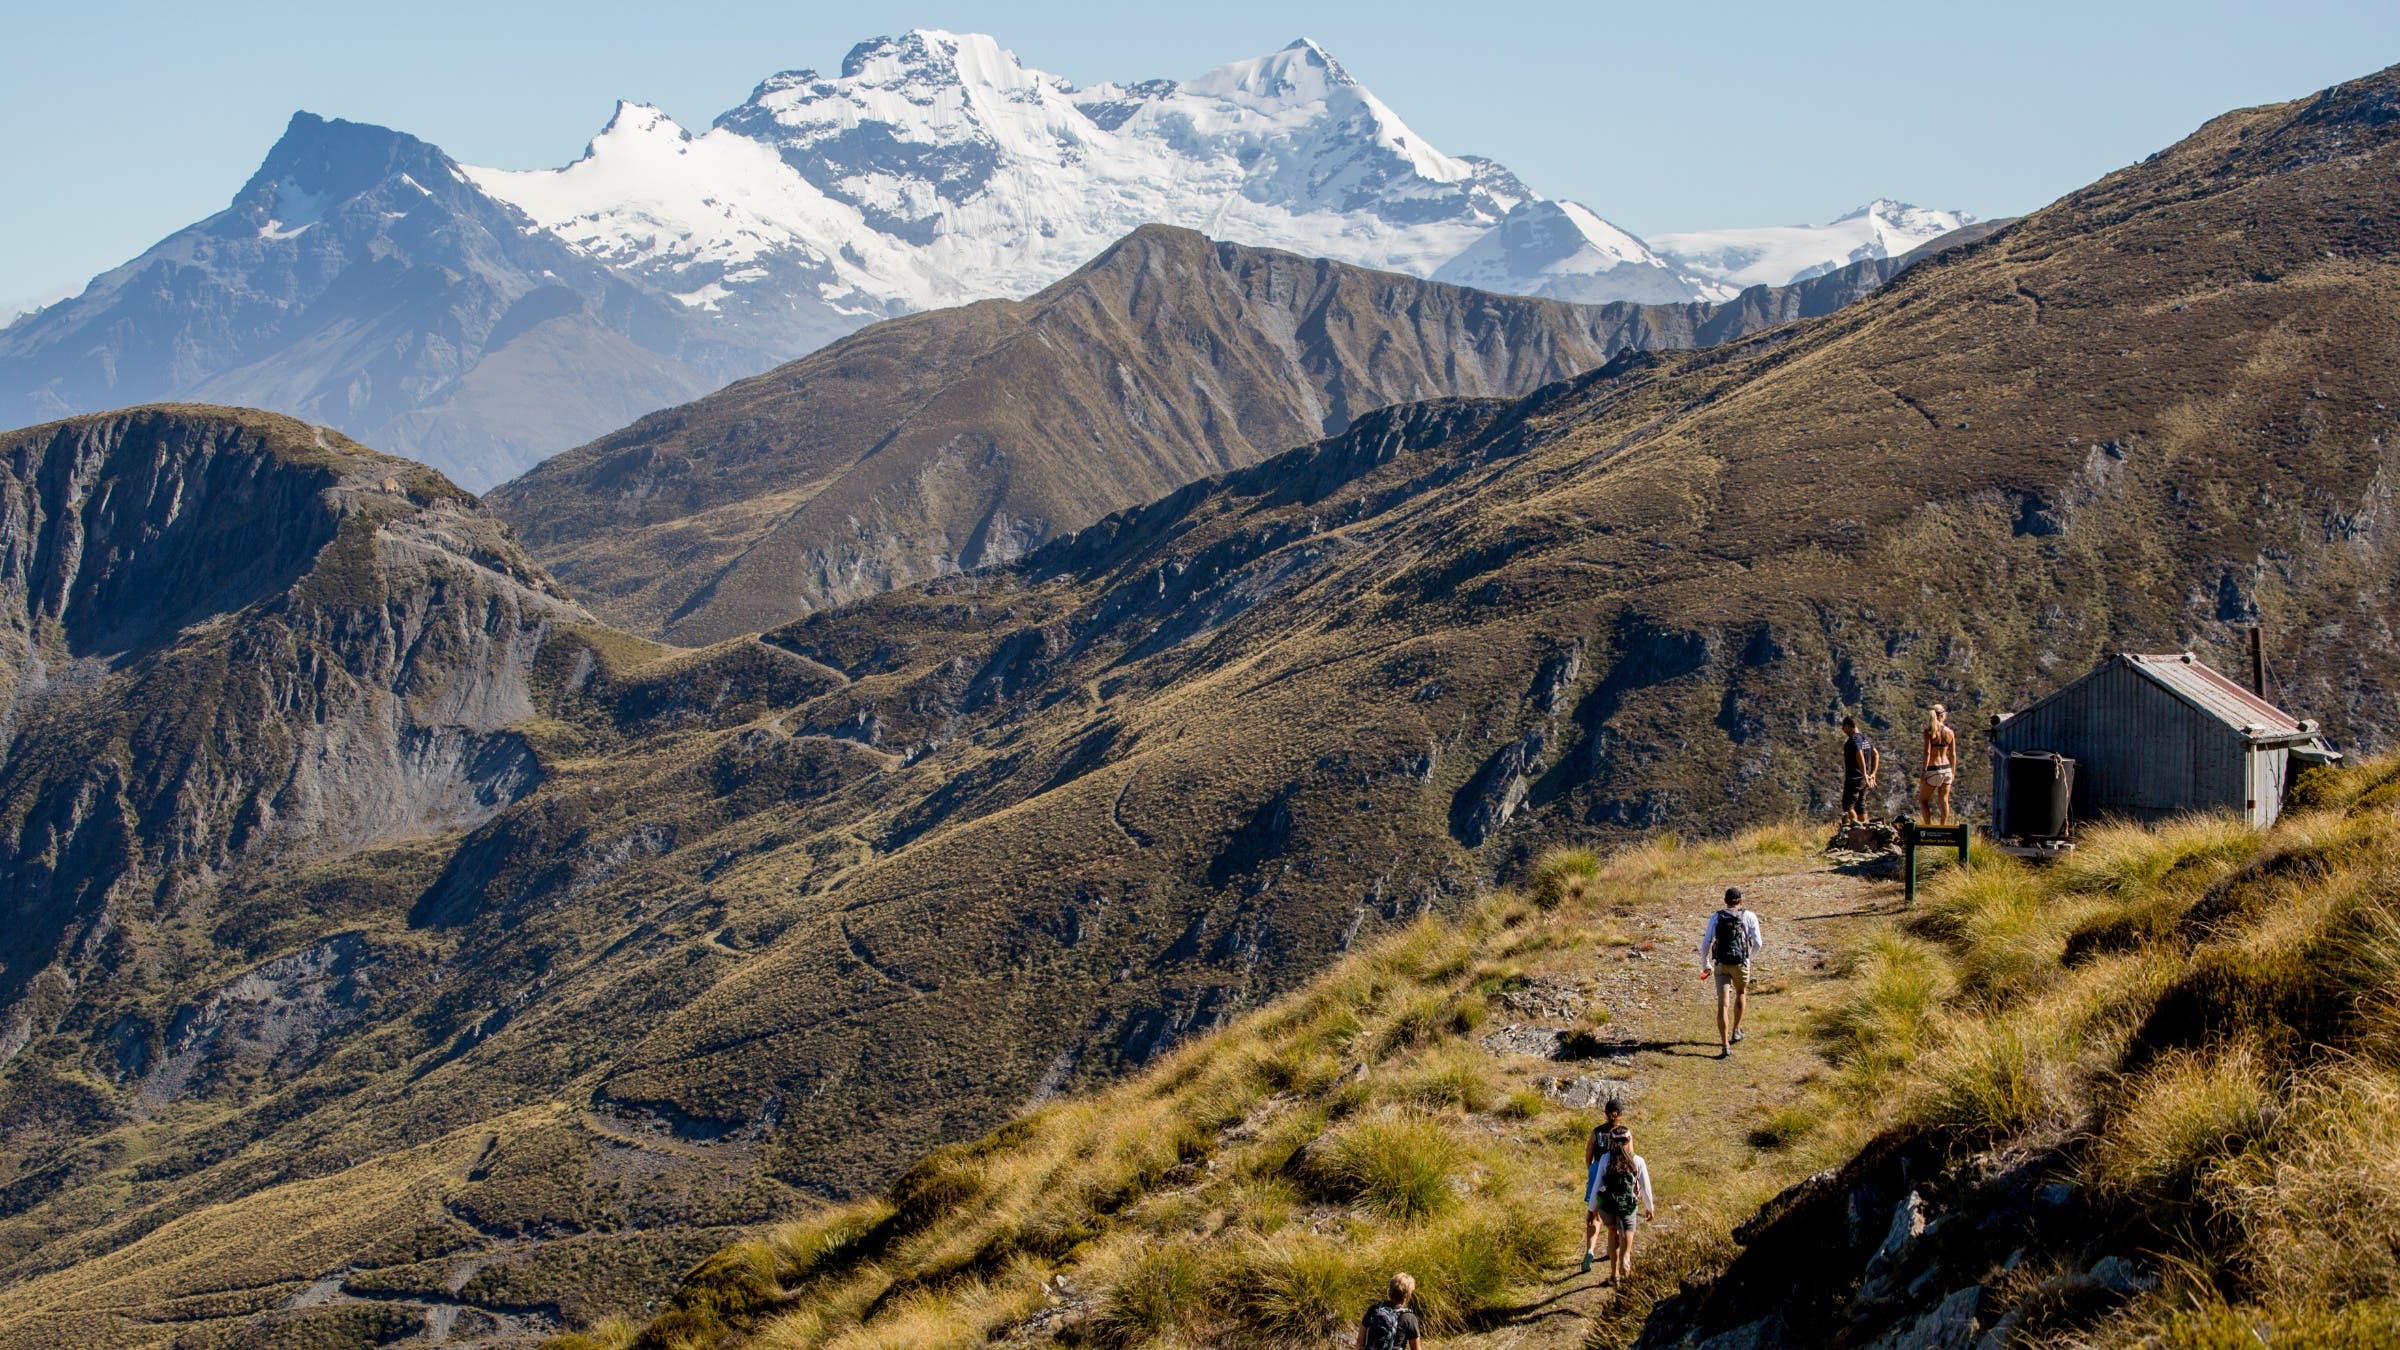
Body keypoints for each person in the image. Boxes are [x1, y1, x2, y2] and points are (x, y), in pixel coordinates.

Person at [1698, 887, 1763, 1058]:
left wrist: (1705, 963)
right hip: (1740, 962)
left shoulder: (1717, 916)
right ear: (1740, 900)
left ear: (1725, 901)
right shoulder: (1749, 916)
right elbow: (1758, 942)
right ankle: (1736, 1030)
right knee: (1741, 992)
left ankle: (1725, 1045)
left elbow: (1706, 942)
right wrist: (1748, 957)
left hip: (1721, 963)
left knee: (1723, 1004)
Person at [1590, 1125, 1656, 1283]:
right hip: (1628, 1208)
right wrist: (1650, 1208)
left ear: (1611, 1142)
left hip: (1608, 1208)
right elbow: (1645, 1188)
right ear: (1629, 1140)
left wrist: (1592, 1208)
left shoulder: (1606, 1159)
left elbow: (1597, 1184)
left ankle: (1613, 1275)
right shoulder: (1637, 1161)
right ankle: (1625, 1266)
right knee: (1626, 1243)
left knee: (1613, 1234)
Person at [1581, 1097, 1630, 1272]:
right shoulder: (1625, 1132)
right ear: (1621, 1114)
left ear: (1606, 1113)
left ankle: (1590, 1250)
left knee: (1594, 1215)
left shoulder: (1597, 1132)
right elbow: (1629, 1157)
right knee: (1614, 1214)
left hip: (1596, 1171)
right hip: (1615, 1175)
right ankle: (1612, 1250)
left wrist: (1592, 1170)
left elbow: (1588, 1155)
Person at [1357, 1272, 1423, 1350]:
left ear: (1390, 1291)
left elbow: (1360, 1341)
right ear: (1407, 1295)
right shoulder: (1409, 1317)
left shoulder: (1374, 1310)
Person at [1919, 704, 1958, 826]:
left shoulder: (1929, 732)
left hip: (1933, 768)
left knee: (1923, 800)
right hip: (1946, 769)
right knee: (1944, 800)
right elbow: (1953, 754)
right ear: (1942, 716)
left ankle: (1928, 827)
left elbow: (1927, 752)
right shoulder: (1950, 732)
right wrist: (1953, 772)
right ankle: (1943, 826)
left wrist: (1924, 771)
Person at [1840, 715, 1880, 823]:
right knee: (1860, 806)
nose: (1842, 730)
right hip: (1863, 780)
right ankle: (1865, 830)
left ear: (1848, 726)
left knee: (1847, 806)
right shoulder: (1865, 738)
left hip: (1854, 778)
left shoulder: (1853, 740)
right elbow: (1876, 754)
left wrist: (1864, 774)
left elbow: (1859, 753)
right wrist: (1872, 774)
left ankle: (1856, 828)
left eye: (1843, 727)